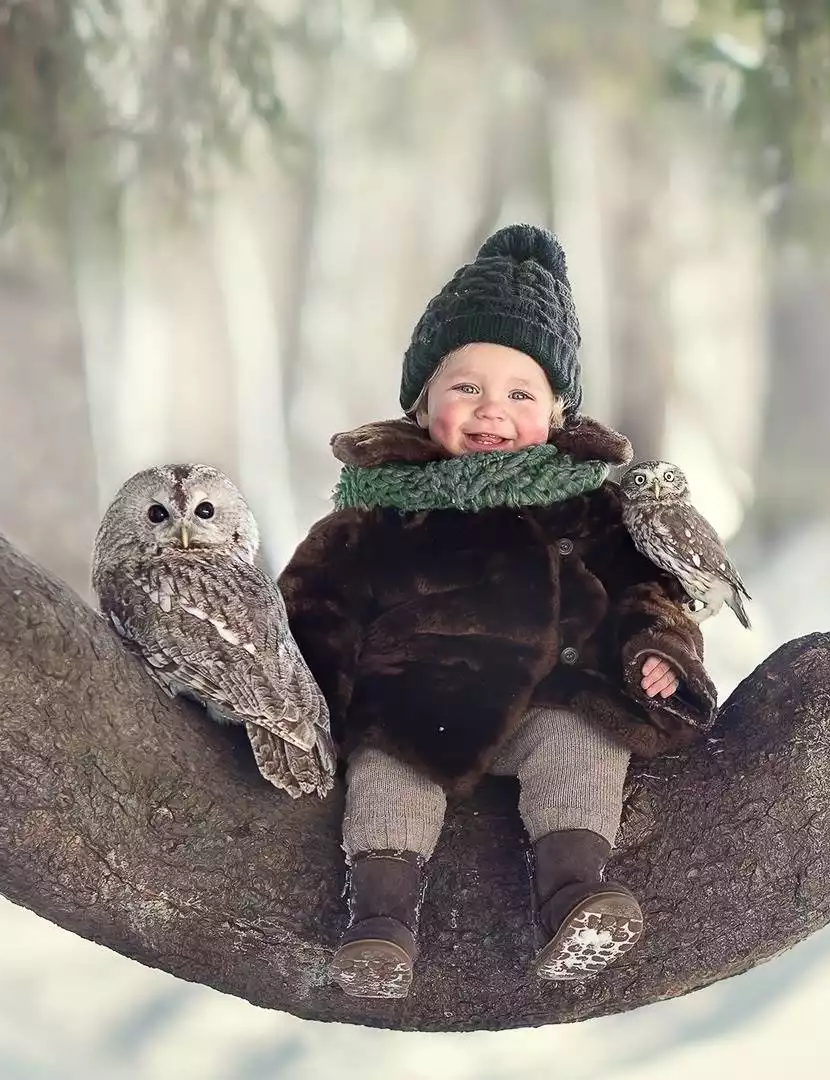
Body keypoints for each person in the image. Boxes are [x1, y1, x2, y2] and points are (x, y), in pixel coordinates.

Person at [278, 223, 717, 999]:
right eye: (466, 389)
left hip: (553, 698)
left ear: (557, 413)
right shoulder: (378, 513)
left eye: (520, 394)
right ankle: (380, 924)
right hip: (416, 704)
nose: (492, 411)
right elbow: (317, 608)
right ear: (422, 404)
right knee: (388, 771)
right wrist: (297, 702)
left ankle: (573, 895)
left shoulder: (591, 508)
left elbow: (647, 590)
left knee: (584, 743)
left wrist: (656, 651)